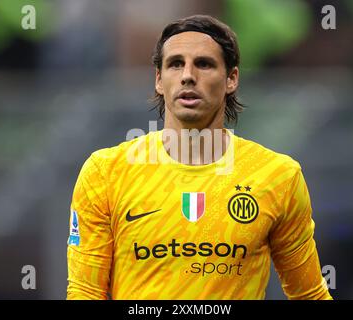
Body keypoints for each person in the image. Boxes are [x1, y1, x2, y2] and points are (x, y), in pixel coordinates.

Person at [66, 14, 332, 300]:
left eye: (204, 64)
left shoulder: (277, 176)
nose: (188, 75)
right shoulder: (106, 172)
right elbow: (85, 292)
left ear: (231, 79)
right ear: (158, 79)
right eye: (175, 63)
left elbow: (309, 295)